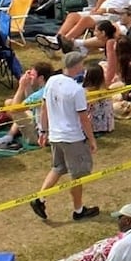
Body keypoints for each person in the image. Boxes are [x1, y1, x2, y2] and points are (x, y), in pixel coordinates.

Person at [32, 52, 98, 222]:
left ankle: (40, 199)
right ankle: (78, 210)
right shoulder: (76, 90)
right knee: (77, 175)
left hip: (55, 135)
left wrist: (43, 131)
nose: (83, 67)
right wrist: (92, 140)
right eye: (81, 64)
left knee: (58, 168)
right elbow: (83, 119)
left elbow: (44, 107)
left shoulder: (52, 81)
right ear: (76, 66)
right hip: (72, 138)